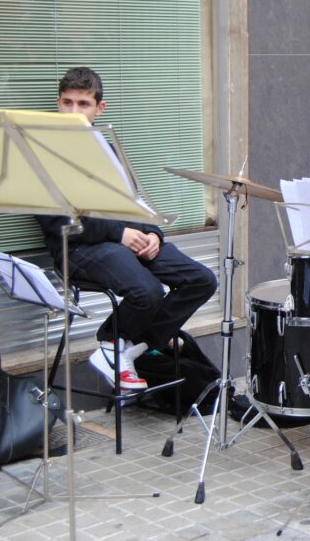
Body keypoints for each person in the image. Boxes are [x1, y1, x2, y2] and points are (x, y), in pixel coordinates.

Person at [35, 67, 218, 390]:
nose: (74, 111)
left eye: (83, 104)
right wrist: (119, 233)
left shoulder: (108, 147)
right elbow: (57, 220)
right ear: (57, 103)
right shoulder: (41, 151)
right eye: (68, 103)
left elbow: (133, 201)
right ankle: (111, 344)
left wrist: (152, 234)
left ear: (99, 108)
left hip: (122, 240)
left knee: (201, 280)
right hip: (78, 249)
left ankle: (126, 350)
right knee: (147, 292)